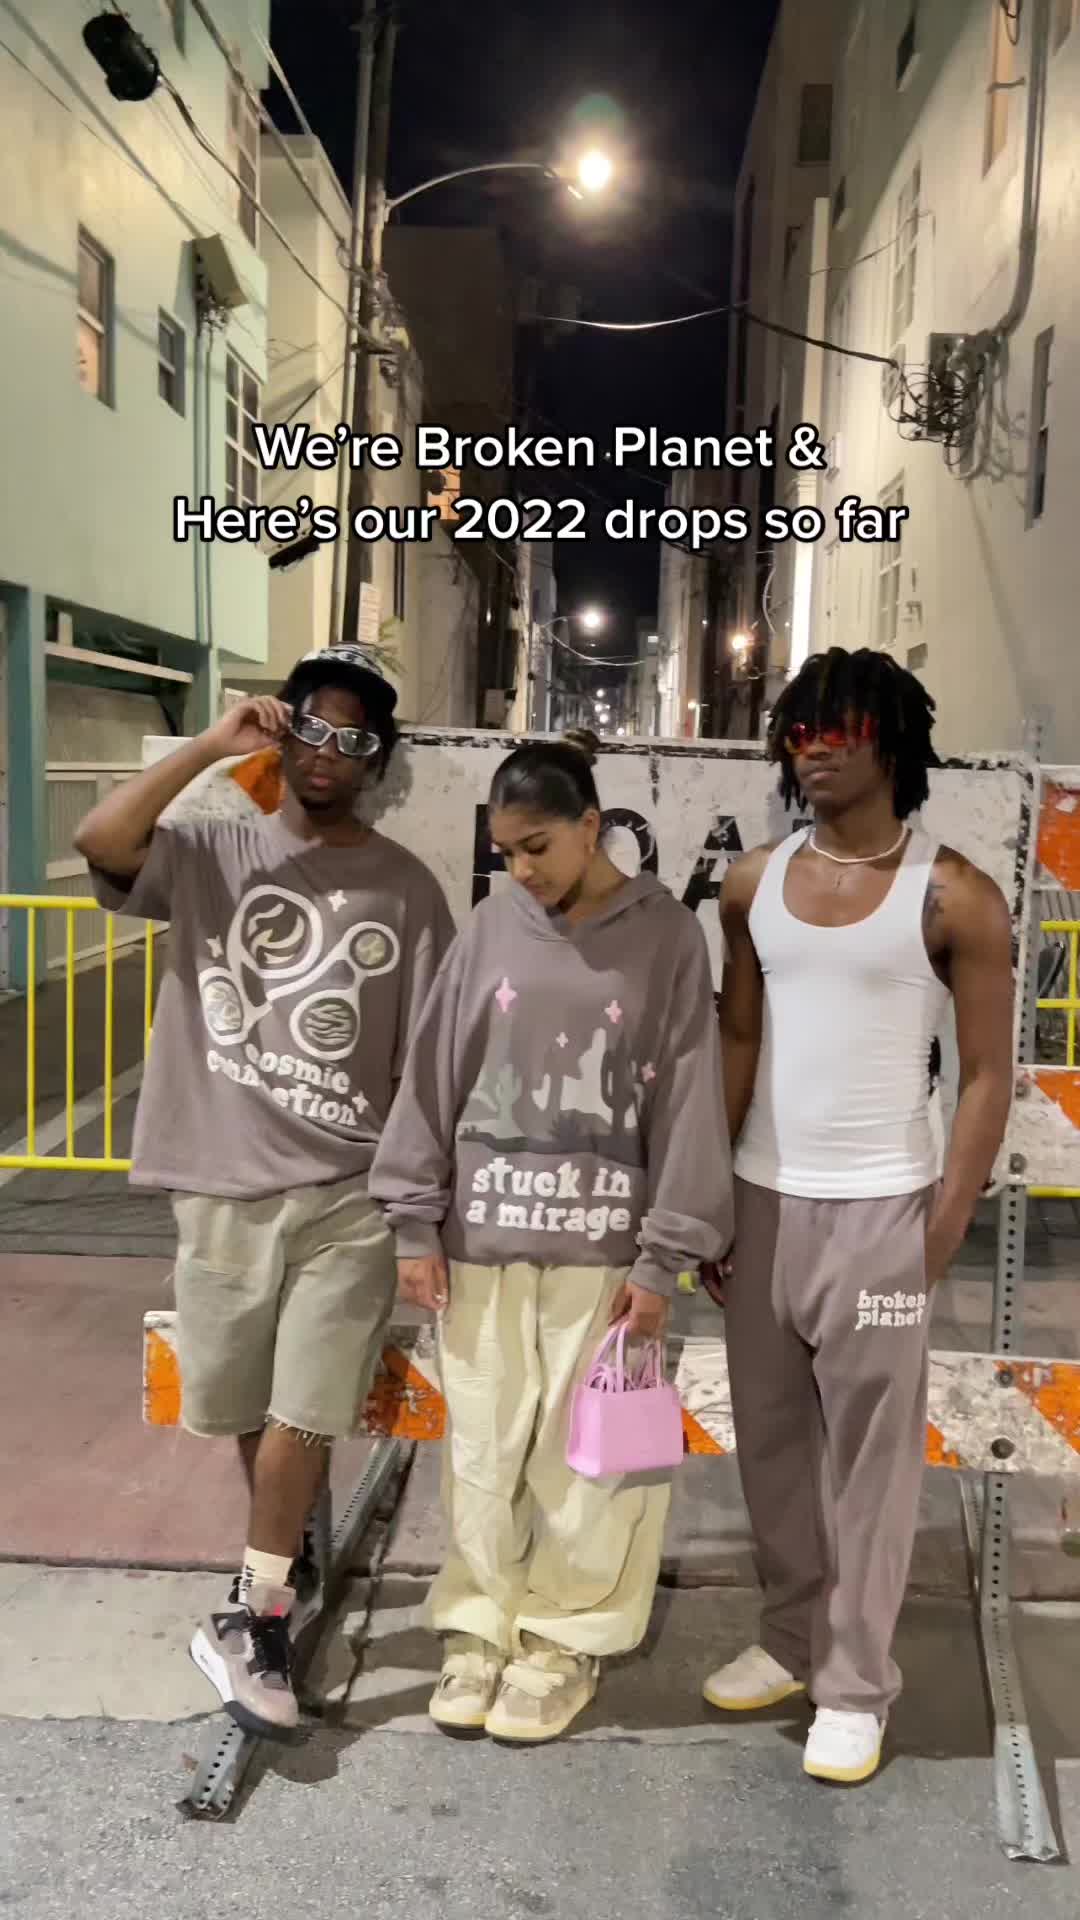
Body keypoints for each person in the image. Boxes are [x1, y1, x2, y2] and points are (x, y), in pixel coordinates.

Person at [74, 646, 455, 1740]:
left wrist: (417, 1206)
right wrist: (208, 748)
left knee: (307, 1409)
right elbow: (99, 841)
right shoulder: (210, 850)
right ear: (283, 732)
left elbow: (425, 1066)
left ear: (378, 759)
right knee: (244, 1408)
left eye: (355, 739)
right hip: (221, 1183)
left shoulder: (408, 889)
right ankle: (272, 1571)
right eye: (313, 729)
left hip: (350, 1192)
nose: (329, 753)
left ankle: (259, 1612)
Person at [369, 730, 733, 1744]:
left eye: (537, 846)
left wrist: (665, 1255)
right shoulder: (492, 926)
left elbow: (689, 1098)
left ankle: (565, 1640)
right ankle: (478, 1626)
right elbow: (436, 1070)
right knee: (482, 1449)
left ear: (590, 826)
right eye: (506, 851)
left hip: (605, 1253)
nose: (521, 870)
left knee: (590, 1462)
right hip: (481, 1242)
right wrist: (413, 1219)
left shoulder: (667, 937)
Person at [703, 647, 1013, 1785]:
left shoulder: (956, 893)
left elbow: (986, 1074)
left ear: (892, 738)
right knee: (773, 1445)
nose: (815, 750)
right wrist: (713, 1197)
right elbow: (739, 1036)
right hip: (763, 1204)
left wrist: (940, 1227)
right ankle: (792, 1639)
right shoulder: (753, 885)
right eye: (799, 732)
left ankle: (855, 1683)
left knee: (873, 1465)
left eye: (839, 729)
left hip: (884, 1210)